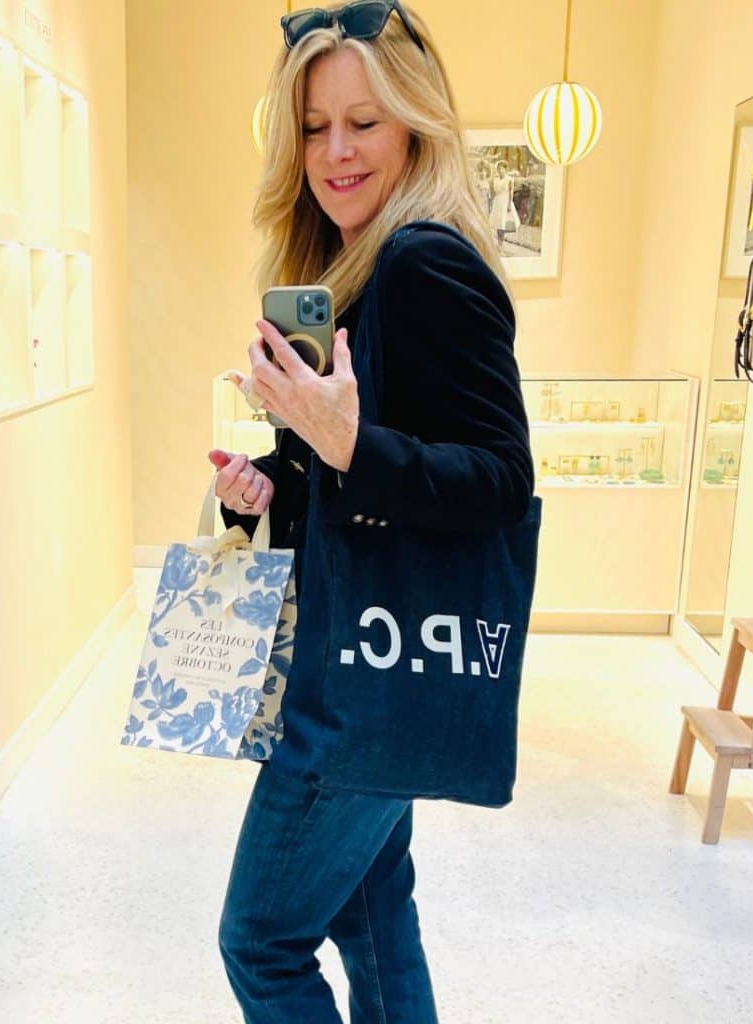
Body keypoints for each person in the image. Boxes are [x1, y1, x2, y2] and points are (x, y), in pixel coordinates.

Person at [210, 3, 534, 1021]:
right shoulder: (357, 266)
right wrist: (272, 477)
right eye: (314, 126)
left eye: (366, 121)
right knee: (374, 919)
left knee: (261, 942)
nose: (336, 151)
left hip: (359, 677)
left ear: (416, 125)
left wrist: (344, 442)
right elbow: (365, 461)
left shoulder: (420, 260)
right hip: (371, 660)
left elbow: (496, 479)